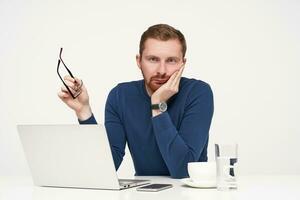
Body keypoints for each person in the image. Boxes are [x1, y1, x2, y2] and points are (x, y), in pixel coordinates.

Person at [57, 24, 214, 179]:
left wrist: (157, 105)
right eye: (153, 59)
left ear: (182, 64)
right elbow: (106, 168)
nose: (162, 70)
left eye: (171, 60)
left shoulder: (198, 93)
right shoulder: (120, 96)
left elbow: (183, 170)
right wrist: (83, 111)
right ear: (139, 61)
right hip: (142, 193)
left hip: (188, 194)